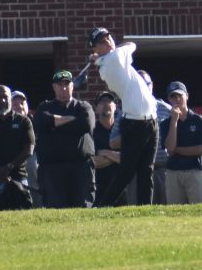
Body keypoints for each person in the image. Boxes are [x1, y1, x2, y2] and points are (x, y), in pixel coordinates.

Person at [86, 28, 159, 204]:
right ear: (95, 49)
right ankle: (103, 206)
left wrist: (97, 59)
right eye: (102, 41)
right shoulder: (114, 59)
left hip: (151, 119)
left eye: (108, 37)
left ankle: (144, 209)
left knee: (146, 170)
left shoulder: (108, 61)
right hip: (135, 123)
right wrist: (99, 58)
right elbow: (132, 44)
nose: (108, 41)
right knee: (127, 171)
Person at [34, 68, 97, 208]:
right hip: (52, 170)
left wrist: (55, 123)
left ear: (72, 86)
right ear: (54, 87)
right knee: (56, 210)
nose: (64, 88)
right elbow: (40, 122)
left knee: (82, 209)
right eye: (60, 85)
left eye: (67, 84)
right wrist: (72, 120)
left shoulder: (83, 106)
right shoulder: (44, 107)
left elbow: (86, 124)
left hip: (81, 168)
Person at [161, 82, 202, 203]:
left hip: (195, 170)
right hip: (174, 172)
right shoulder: (166, 123)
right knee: (175, 213)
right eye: (173, 96)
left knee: (198, 211)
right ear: (169, 99)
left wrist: (177, 150)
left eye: (180, 95)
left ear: (187, 96)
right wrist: (174, 121)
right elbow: (169, 147)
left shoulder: (198, 120)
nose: (177, 99)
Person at [91, 95, 126, 204]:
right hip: (98, 187)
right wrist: (116, 156)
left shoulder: (123, 130)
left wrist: (105, 153)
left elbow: (128, 159)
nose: (106, 104)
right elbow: (92, 162)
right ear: (96, 109)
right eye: (102, 102)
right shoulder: (91, 132)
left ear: (115, 107)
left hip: (122, 187)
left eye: (110, 101)